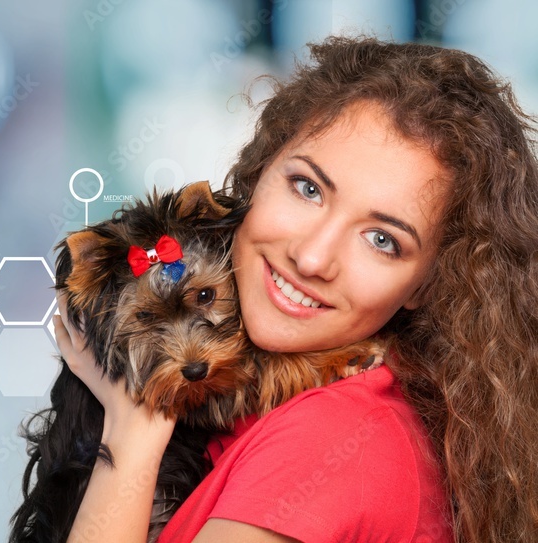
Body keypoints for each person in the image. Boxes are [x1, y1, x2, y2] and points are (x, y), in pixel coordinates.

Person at [52, 36, 538, 542]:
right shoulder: (261, 411)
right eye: (308, 188)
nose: (312, 258)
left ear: (429, 284)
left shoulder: (334, 440)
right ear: (258, 173)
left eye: (381, 239)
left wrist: (132, 435)